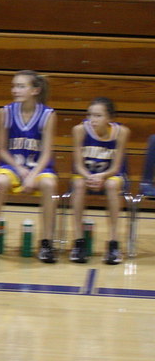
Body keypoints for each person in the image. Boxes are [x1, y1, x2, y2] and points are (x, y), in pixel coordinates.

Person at [0, 71, 59, 263]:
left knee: (49, 185)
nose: (15, 90)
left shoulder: (48, 114)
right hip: (12, 165)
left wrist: (32, 175)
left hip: (39, 168)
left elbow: (47, 152)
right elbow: (1, 149)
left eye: (21, 86)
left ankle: (47, 243)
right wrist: (20, 169)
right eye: (14, 86)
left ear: (35, 90)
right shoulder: (5, 112)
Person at [68, 97, 129, 265]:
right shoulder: (79, 130)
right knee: (79, 184)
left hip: (111, 175)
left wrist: (102, 177)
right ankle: (79, 243)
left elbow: (117, 167)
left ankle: (113, 244)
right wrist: (89, 177)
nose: (93, 120)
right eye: (90, 115)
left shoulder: (121, 132)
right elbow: (78, 165)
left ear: (109, 118)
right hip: (85, 174)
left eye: (98, 116)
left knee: (111, 185)